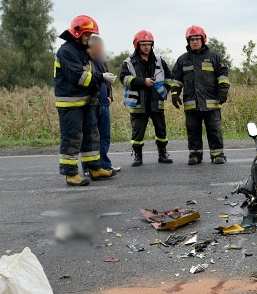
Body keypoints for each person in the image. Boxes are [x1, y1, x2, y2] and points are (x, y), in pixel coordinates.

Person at [54, 15, 116, 186]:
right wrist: (101, 77)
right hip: (70, 103)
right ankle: (71, 174)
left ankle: (94, 168)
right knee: (73, 137)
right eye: (87, 34)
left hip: (85, 102)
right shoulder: (66, 51)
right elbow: (78, 77)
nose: (89, 38)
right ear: (77, 33)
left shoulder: (80, 50)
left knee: (91, 135)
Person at [169, 26, 230, 165]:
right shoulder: (182, 60)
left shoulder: (214, 58)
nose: (195, 42)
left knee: (214, 129)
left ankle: (217, 154)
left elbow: (222, 76)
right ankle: (195, 155)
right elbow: (176, 79)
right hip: (191, 103)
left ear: (203, 40)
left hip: (212, 103)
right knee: (193, 130)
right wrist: (174, 94)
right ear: (188, 41)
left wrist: (223, 91)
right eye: (192, 39)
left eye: (197, 39)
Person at [120, 30, 173, 166]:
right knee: (137, 132)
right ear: (137, 45)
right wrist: (142, 82)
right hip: (138, 103)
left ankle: (162, 154)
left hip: (156, 102)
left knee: (161, 130)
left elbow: (169, 77)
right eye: (143, 44)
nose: (146, 47)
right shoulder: (129, 62)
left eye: (149, 44)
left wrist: (166, 89)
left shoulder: (159, 61)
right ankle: (138, 156)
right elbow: (124, 79)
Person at [87, 35, 118, 173]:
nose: (101, 50)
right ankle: (89, 167)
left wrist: (110, 96)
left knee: (105, 136)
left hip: (104, 103)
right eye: (98, 47)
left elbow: (106, 81)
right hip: (91, 104)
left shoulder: (102, 62)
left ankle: (104, 164)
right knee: (91, 137)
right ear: (90, 47)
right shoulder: (85, 62)